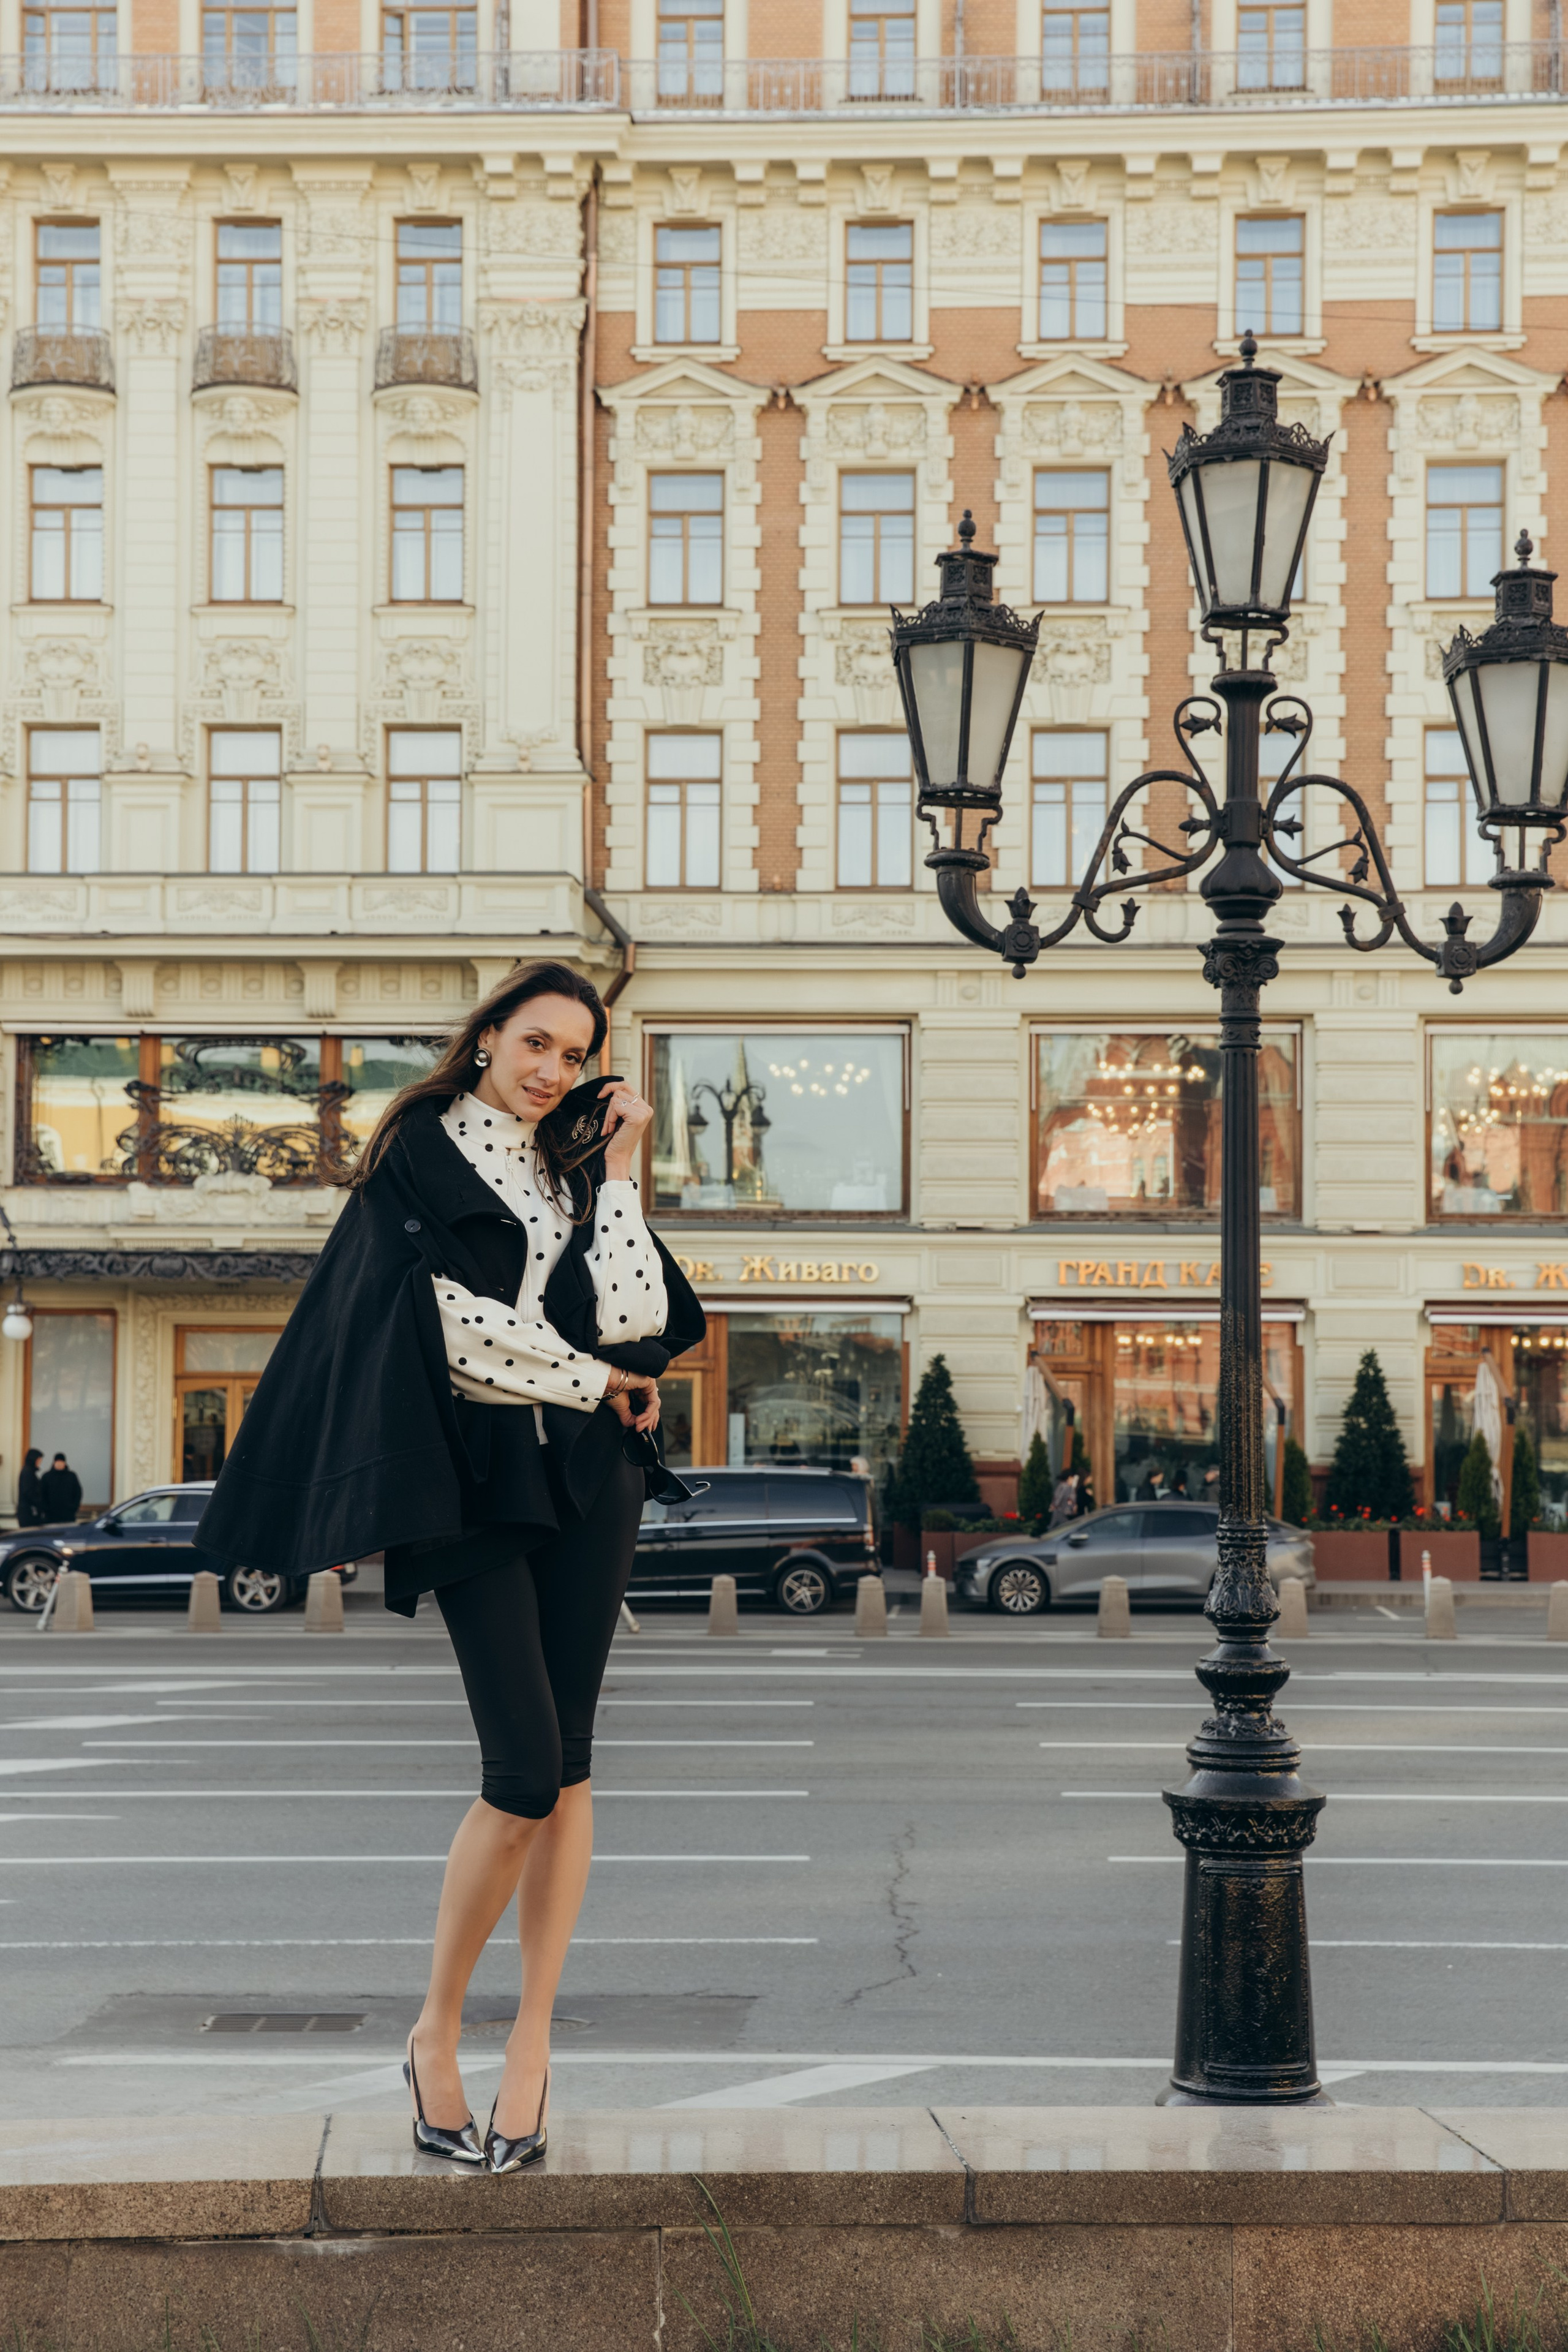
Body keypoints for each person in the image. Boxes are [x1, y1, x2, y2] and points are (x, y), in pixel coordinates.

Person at [195, 961, 704, 2175]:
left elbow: (632, 1315)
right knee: (522, 1772)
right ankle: (434, 2034)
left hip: (587, 1481)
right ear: (483, 1038)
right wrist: (598, 1381)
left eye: (574, 1056)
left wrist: (619, 1176)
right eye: (534, 1042)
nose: (551, 1071)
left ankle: (529, 2051)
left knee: (574, 1771)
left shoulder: (561, 1166)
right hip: (469, 1480)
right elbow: (451, 1330)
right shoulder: (418, 1158)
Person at [40, 1453, 81, 1523]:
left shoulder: (72, 1476)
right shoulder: (46, 1477)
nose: (59, 1464)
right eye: (57, 1462)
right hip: (51, 1516)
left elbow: (78, 1493)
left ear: (65, 1463)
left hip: (68, 1515)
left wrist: (74, 1508)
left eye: (61, 1462)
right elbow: (42, 1494)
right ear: (54, 1463)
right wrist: (46, 1509)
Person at [16, 1448, 45, 1529]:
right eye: (39, 1460)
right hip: (29, 1512)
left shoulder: (28, 1471)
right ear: (34, 1459)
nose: (40, 1462)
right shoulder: (28, 1472)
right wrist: (40, 1503)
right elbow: (28, 1492)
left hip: (29, 1511)